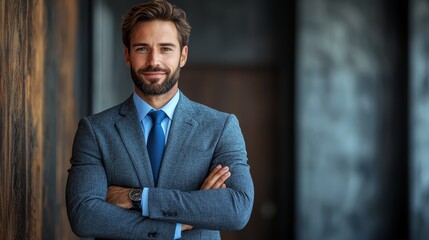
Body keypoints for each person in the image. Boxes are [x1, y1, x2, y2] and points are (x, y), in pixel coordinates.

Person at [65, 0, 254, 239]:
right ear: (127, 55)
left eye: (166, 49)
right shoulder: (95, 131)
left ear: (183, 55)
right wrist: (179, 222)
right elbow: (84, 216)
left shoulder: (220, 127)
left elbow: (237, 208)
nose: (154, 61)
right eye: (142, 48)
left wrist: (138, 198)